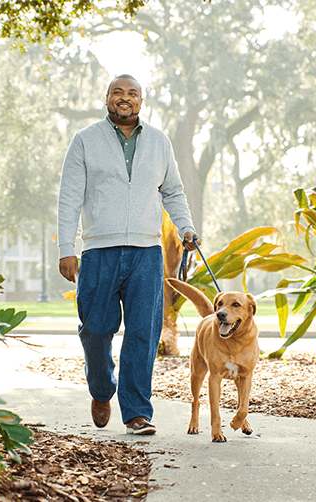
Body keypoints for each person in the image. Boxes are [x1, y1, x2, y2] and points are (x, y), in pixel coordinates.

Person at [57, 74, 199, 435]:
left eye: (132, 93)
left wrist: (186, 228)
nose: (125, 98)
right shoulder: (85, 141)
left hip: (146, 252)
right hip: (98, 250)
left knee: (143, 333)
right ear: (107, 99)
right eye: (118, 92)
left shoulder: (159, 142)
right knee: (96, 329)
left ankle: (137, 412)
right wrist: (65, 249)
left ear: (141, 101)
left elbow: (174, 192)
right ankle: (101, 388)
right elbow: (70, 197)